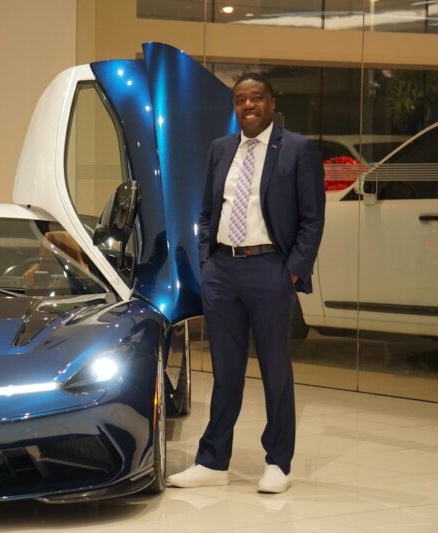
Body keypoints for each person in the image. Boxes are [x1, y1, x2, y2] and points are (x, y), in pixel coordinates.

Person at [166, 72, 325, 494]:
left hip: (270, 270)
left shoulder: (298, 150)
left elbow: (312, 219)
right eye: (240, 100)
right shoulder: (220, 149)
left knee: (275, 371)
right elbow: (206, 212)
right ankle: (213, 460)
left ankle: (278, 462)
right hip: (223, 272)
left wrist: (291, 270)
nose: (248, 106)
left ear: (271, 104)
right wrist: (207, 260)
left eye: (256, 98)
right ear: (234, 107)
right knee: (226, 372)